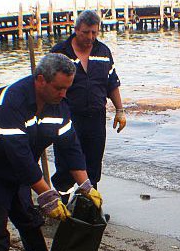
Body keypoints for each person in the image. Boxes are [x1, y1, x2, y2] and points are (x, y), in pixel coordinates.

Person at [0, 53, 102, 251]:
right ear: (40, 80)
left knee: (27, 217)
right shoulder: (10, 100)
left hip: (21, 172)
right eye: (59, 87)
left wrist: (86, 186)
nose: (63, 93)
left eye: (67, 88)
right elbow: (18, 152)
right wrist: (46, 192)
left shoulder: (59, 105)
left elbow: (70, 146)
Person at [50, 10, 126, 206]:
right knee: (66, 164)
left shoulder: (103, 52)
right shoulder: (60, 53)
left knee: (93, 164)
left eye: (94, 32)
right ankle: (62, 203)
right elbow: (48, 86)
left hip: (96, 118)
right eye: (86, 32)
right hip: (67, 119)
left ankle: (88, 206)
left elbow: (112, 83)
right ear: (76, 30)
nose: (90, 37)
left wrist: (120, 110)